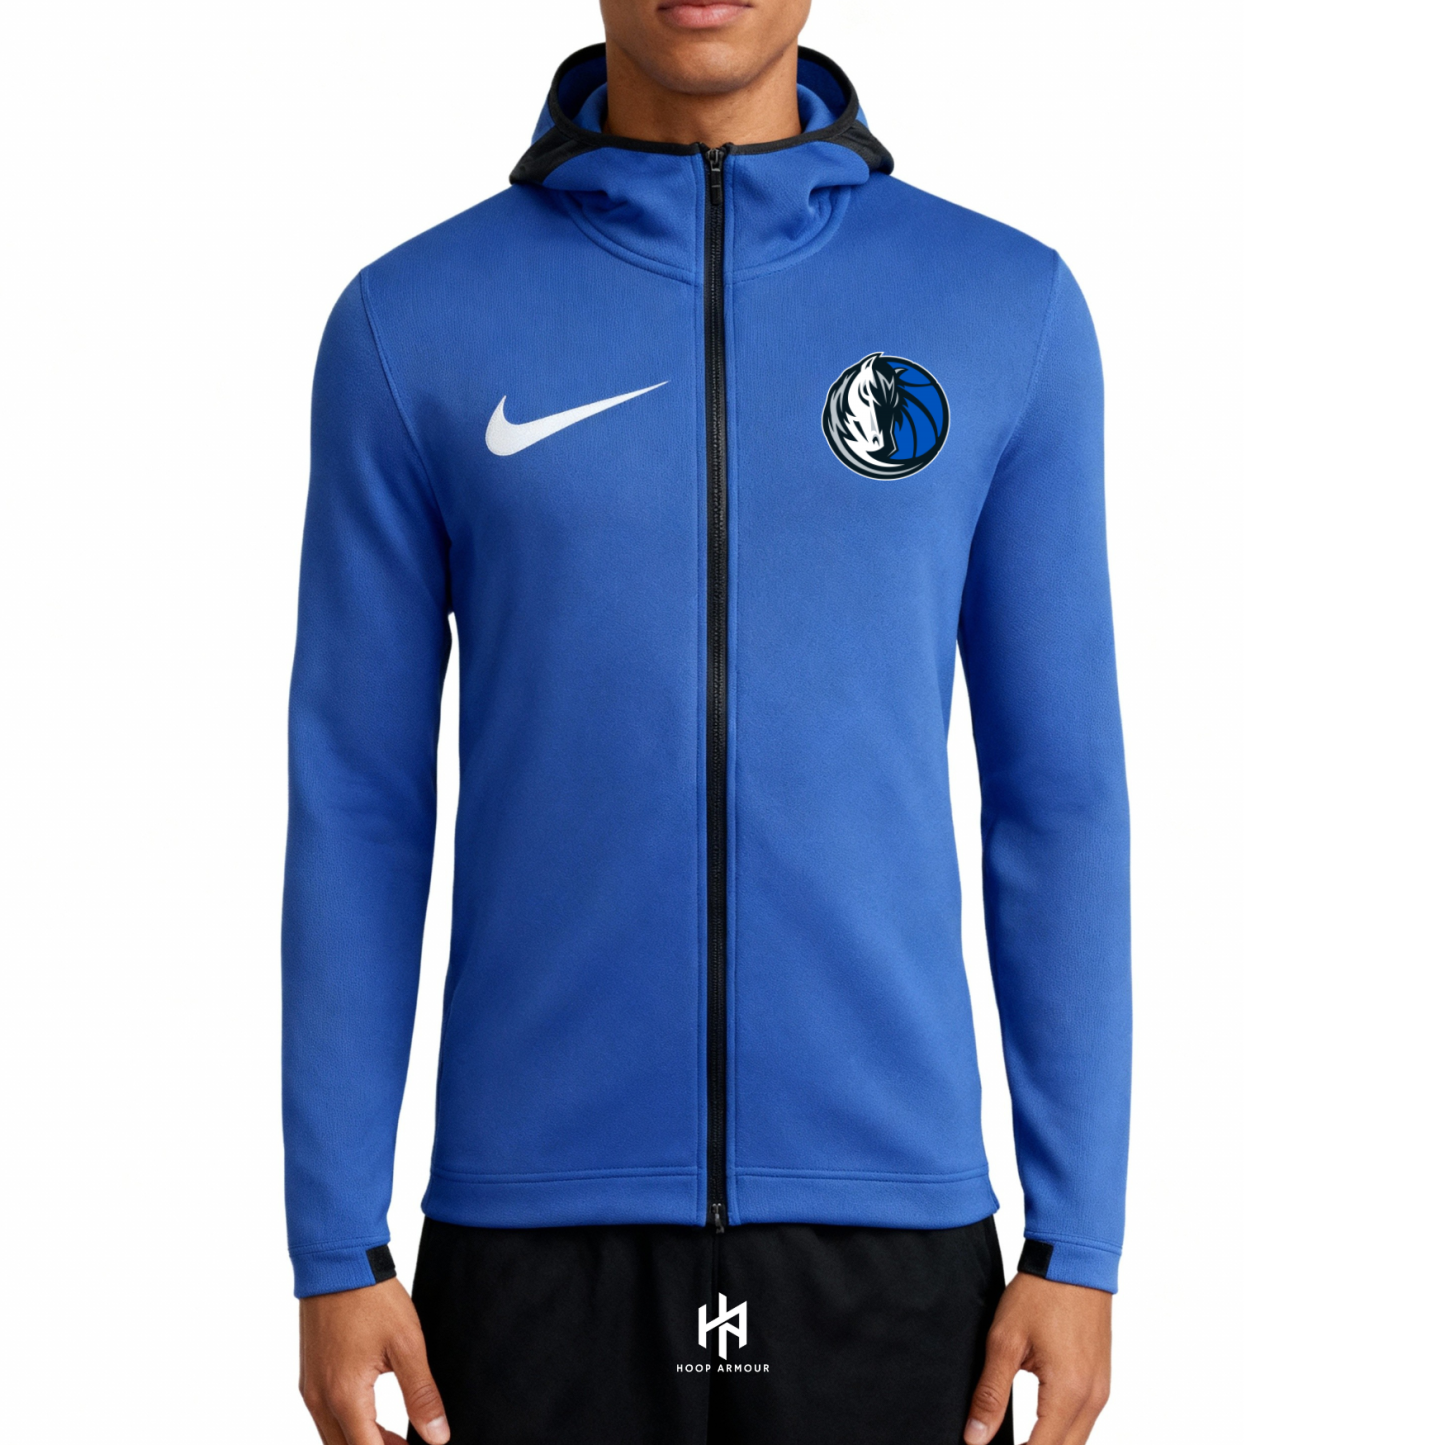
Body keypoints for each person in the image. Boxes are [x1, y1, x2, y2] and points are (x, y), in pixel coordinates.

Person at [283, 1, 1130, 1442]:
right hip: (529, 1241)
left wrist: (1079, 1238)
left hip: (895, 1240)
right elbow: (358, 801)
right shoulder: (410, 322)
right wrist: (333, 1243)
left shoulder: (1006, 308)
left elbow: (1059, 795)